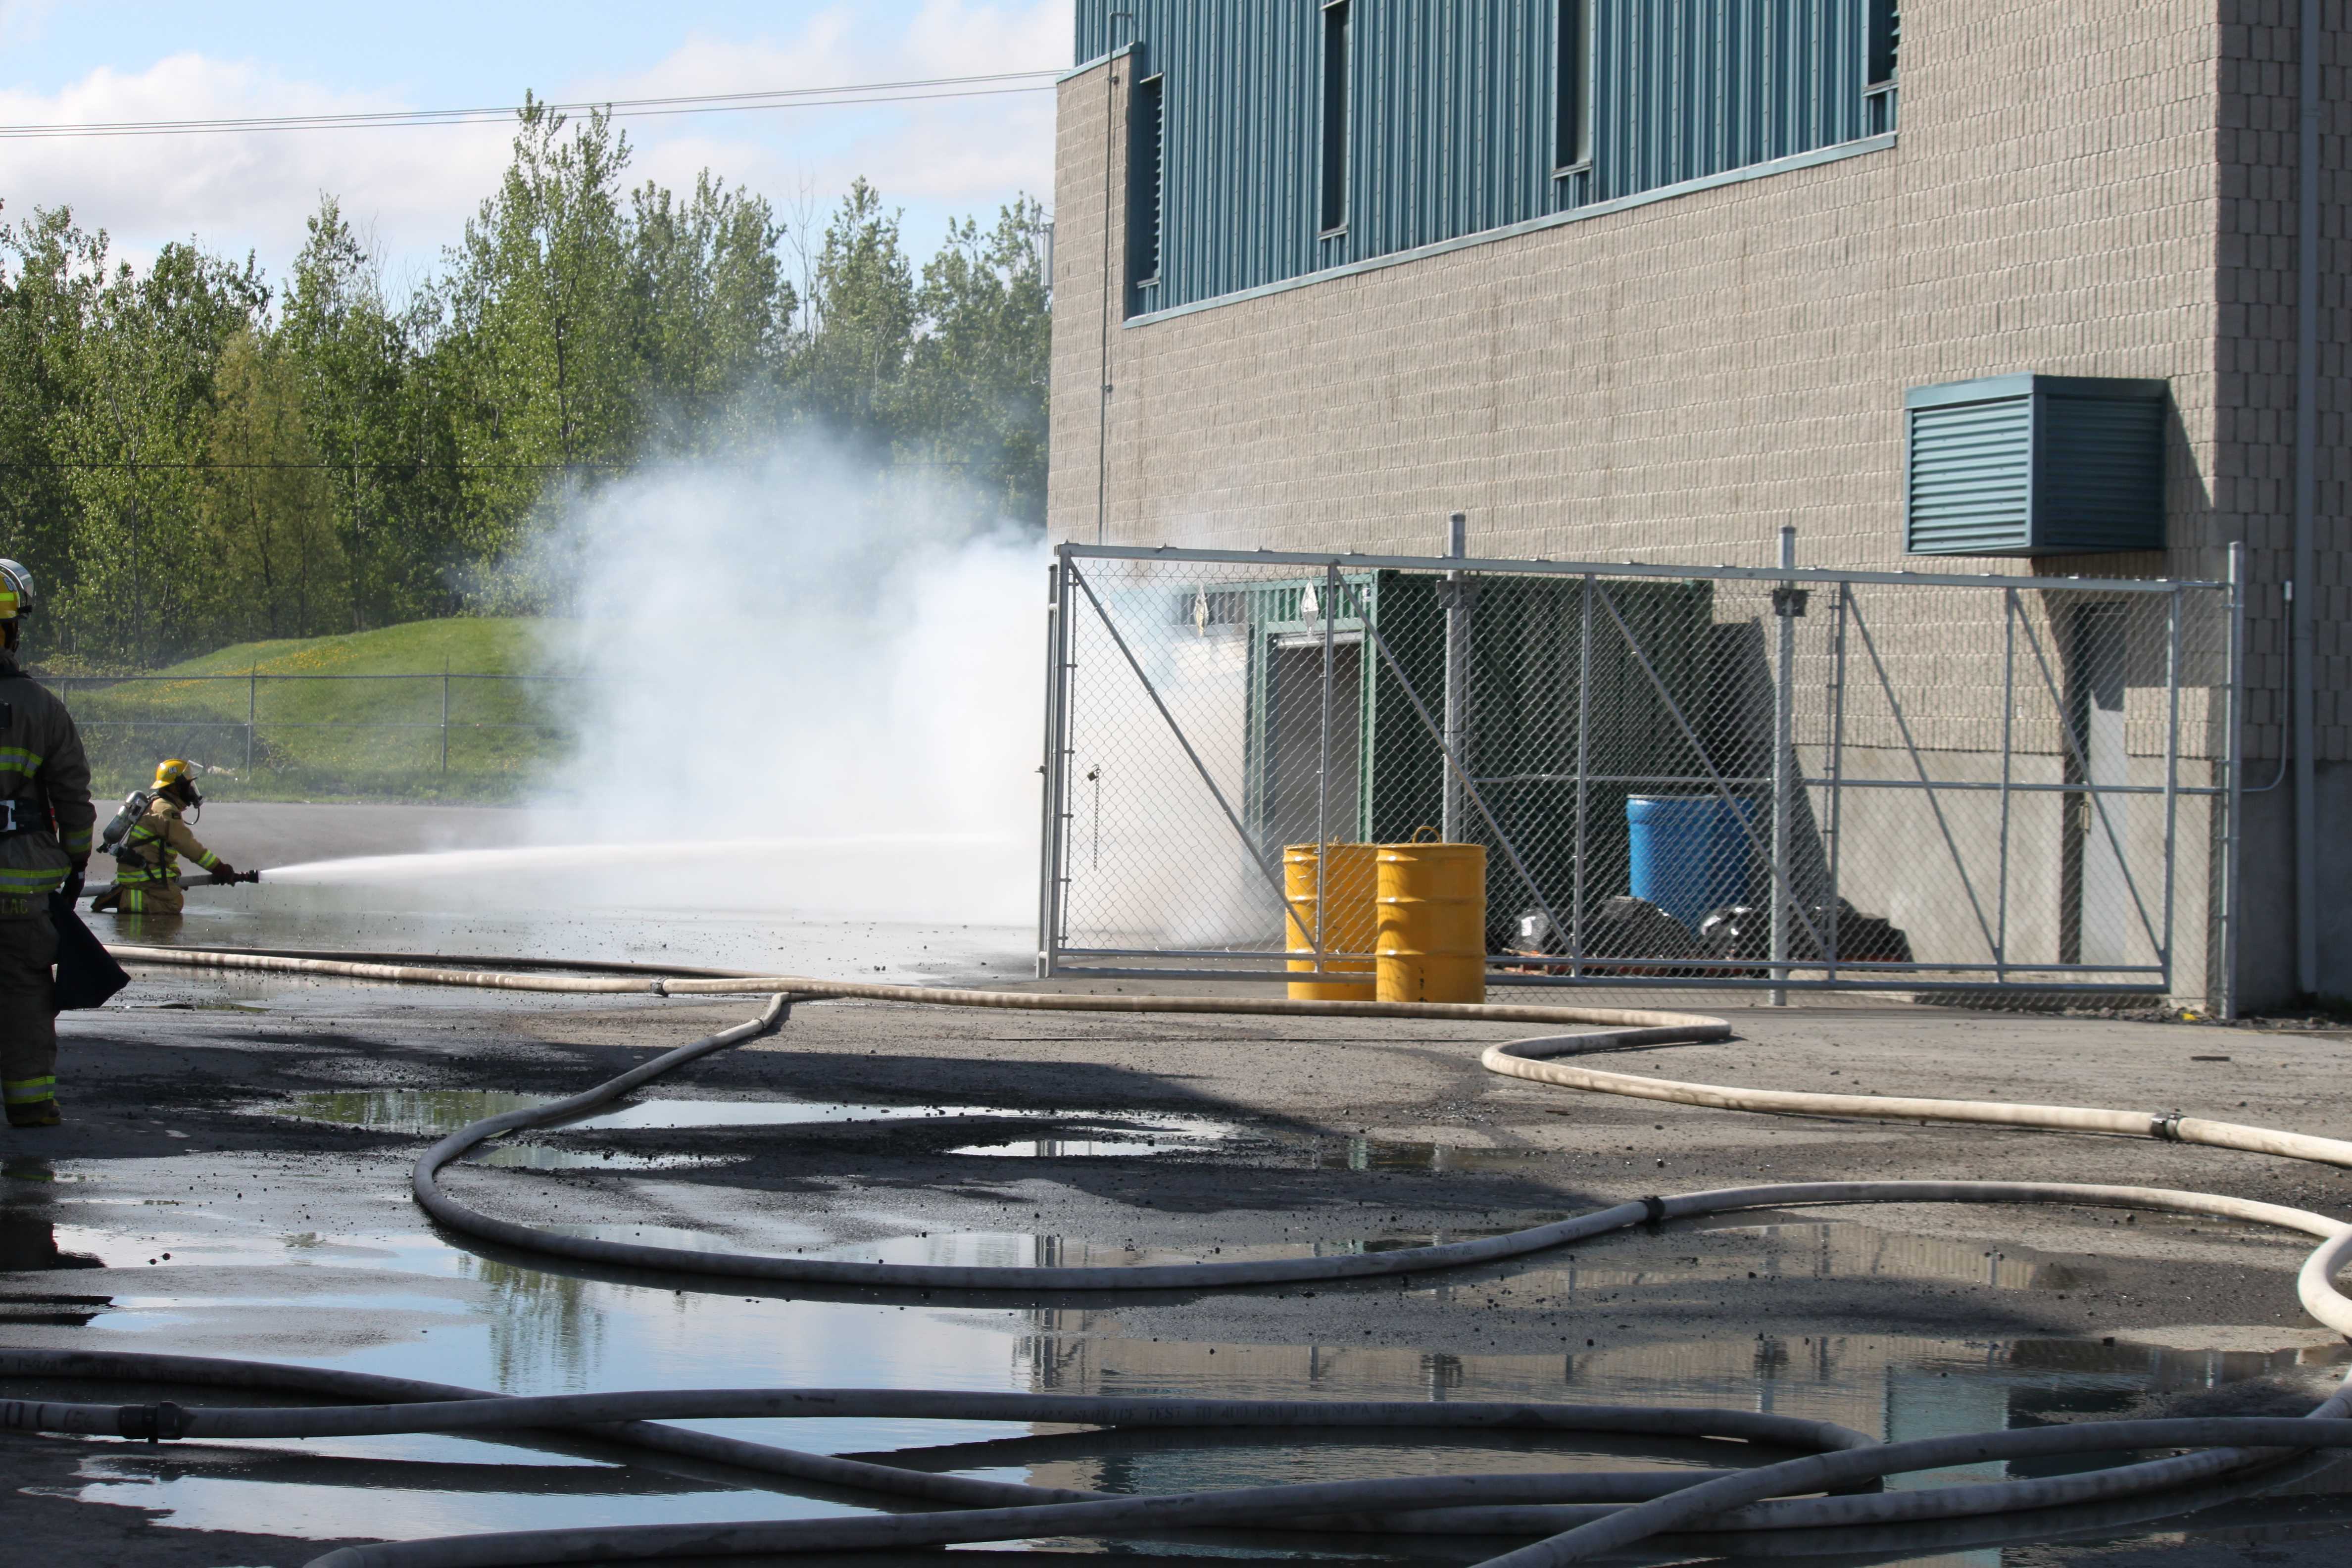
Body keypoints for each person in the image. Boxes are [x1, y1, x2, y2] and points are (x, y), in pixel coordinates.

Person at [0, 560, 93, 1130]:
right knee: (24, 992)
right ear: (10, 632)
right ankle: (31, 1103)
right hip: (21, 889)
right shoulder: (42, 708)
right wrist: (77, 861)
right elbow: (72, 794)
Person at [90, 760, 240, 917]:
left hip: (138, 871)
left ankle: (124, 893)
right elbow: (188, 846)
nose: (191, 790)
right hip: (141, 876)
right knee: (173, 904)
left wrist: (173, 878)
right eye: (188, 785)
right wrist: (218, 867)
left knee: (173, 893)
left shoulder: (158, 804)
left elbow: (158, 852)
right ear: (175, 787)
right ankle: (123, 899)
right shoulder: (166, 811)